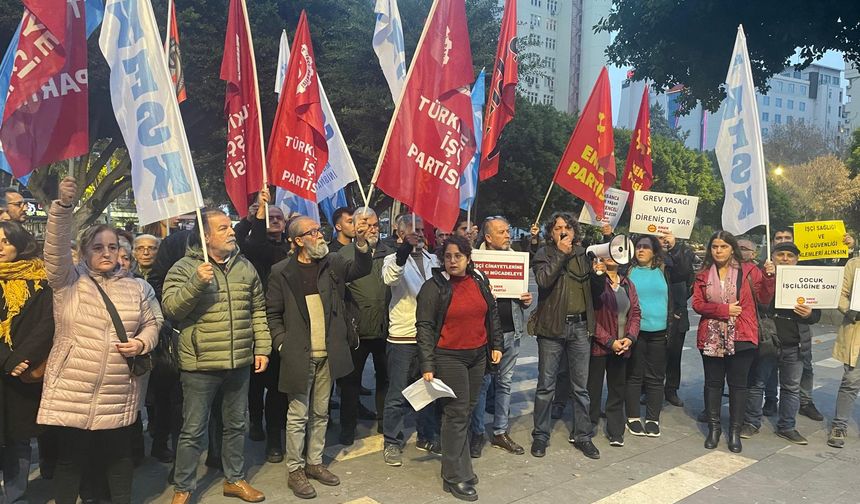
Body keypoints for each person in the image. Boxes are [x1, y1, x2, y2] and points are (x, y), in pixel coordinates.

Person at [39, 177, 158, 504]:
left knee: (118, 461)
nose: (107, 252)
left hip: (118, 391)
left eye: (113, 247)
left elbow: (151, 325)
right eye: (98, 247)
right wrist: (63, 208)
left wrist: (142, 343)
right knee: (70, 463)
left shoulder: (134, 287)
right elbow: (55, 248)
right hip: (73, 390)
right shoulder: (68, 281)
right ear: (83, 252)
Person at [163, 209, 272, 504]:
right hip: (200, 364)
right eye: (223, 228)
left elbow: (257, 309)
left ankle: (234, 479)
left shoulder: (244, 267)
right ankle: (183, 488)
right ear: (206, 236)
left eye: (230, 227)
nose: (231, 232)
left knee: (236, 424)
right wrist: (196, 283)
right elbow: (171, 310)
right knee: (193, 430)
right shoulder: (185, 268)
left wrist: (261, 347)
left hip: (238, 362)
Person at [266, 215, 372, 499]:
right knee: (298, 415)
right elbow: (273, 313)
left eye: (320, 230)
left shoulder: (333, 263)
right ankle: (295, 469)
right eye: (313, 232)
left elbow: (361, 268)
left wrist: (361, 242)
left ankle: (314, 463)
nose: (320, 235)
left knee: (321, 413)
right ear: (299, 240)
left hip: (329, 353)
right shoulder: (281, 271)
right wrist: (280, 344)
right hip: (297, 355)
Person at [416, 235, 503, 502]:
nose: (452, 261)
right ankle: (454, 475)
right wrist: (428, 363)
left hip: (477, 356)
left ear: (468, 258)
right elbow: (425, 327)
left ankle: (459, 465)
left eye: (458, 256)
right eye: (448, 257)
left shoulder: (478, 280)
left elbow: (492, 314)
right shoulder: (434, 287)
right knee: (456, 414)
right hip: (449, 357)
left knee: (465, 411)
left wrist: (496, 344)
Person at [692, 231, 775, 453]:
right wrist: (723, 310)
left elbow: (765, 299)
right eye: (715, 247)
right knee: (713, 384)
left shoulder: (749, 271)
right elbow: (697, 304)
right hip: (711, 335)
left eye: (723, 247)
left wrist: (769, 277)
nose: (718, 251)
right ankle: (714, 428)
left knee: (738, 386)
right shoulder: (703, 274)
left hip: (742, 335)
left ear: (732, 249)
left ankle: (735, 431)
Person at [530, 212, 599, 460]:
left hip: (580, 327)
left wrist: (599, 274)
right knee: (546, 386)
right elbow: (543, 280)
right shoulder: (544, 254)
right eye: (557, 227)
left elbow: (596, 292)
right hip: (551, 328)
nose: (563, 231)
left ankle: (583, 435)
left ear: (574, 232)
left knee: (580, 388)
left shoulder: (584, 255)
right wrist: (560, 253)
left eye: (567, 227)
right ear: (551, 233)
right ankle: (540, 435)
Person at [740, 242, 819, 445]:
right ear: (772, 256)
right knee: (757, 383)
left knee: (791, 388)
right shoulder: (762, 276)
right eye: (780, 254)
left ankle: (787, 426)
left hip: (795, 343)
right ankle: (751, 422)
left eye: (789, 255)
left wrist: (810, 313)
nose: (785, 258)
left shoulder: (807, 281)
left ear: (797, 259)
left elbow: (817, 313)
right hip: (767, 340)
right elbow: (759, 303)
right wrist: (768, 278)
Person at [234, 188, 290, 462]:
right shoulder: (253, 248)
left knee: (279, 386)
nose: (275, 220)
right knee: (257, 381)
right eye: (270, 216)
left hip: (285, 324)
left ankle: (274, 437)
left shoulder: (291, 248)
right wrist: (255, 217)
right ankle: (255, 420)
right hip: (257, 322)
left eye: (279, 216)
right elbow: (250, 241)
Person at [468, 217, 532, 458]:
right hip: (485, 335)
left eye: (507, 231)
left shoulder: (516, 259)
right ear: (488, 237)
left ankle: (500, 432)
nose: (508, 235)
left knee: (505, 384)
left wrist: (526, 301)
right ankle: (476, 433)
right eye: (502, 232)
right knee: (483, 385)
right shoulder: (474, 261)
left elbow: (520, 298)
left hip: (511, 331)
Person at [381, 214, 441, 467]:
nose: (418, 233)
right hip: (403, 335)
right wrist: (405, 249)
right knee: (397, 392)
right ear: (401, 233)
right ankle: (391, 442)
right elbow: (391, 278)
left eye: (421, 228)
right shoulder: (391, 259)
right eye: (412, 229)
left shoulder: (433, 260)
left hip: (428, 336)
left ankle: (425, 435)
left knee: (426, 389)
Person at [0, 222, 53, 503]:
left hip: (21, 374)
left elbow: (47, 325)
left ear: (20, 245)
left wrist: (20, 359)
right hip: (7, 365)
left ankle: (14, 496)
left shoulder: (41, 280)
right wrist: (6, 359)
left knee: (18, 441)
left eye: (7, 241)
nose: (0, 247)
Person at [337, 207, 390, 446]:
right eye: (367, 224)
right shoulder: (345, 254)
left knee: (385, 378)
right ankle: (347, 427)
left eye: (376, 224)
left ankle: (385, 421)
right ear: (356, 227)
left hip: (385, 327)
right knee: (350, 382)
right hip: (356, 329)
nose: (373, 228)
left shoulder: (390, 252)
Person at [587, 250, 641, 447]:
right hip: (600, 346)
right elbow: (591, 316)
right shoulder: (597, 282)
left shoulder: (628, 284)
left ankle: (616, 430)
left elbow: (635, 312)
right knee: (592, 389)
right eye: (606, 252)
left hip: (622, 345)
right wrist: (609, 341)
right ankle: (588, 426)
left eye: (615, 253)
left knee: (617, 389)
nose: (611, 256)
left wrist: (630, 338)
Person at [625, 235, 672, 438]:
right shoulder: (628, 271)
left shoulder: (664, 270)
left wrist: (674, 244)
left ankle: (653, 418)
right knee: (634, 376)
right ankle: (633, 416)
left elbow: (685, 271)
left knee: (655, 377)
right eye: (638, 247)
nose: (641, 250)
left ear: (654, 251)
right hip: (635, 332)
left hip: (659, 331)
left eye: (646, 247)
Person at [827, 255, 860, 448]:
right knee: (851, 380)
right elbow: (841, 292)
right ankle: (839, 426)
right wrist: (850, 310)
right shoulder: (854, 264)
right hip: (857, 329)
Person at [661, 232, 696, 407]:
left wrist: (673, 247)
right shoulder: (647, 251)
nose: (662, 239)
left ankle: (671, 389)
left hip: (677, 311)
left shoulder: (684, 251)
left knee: (674, 353)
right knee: (651, 355)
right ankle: (649, 389)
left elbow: (684, 273)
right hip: (655, 312)